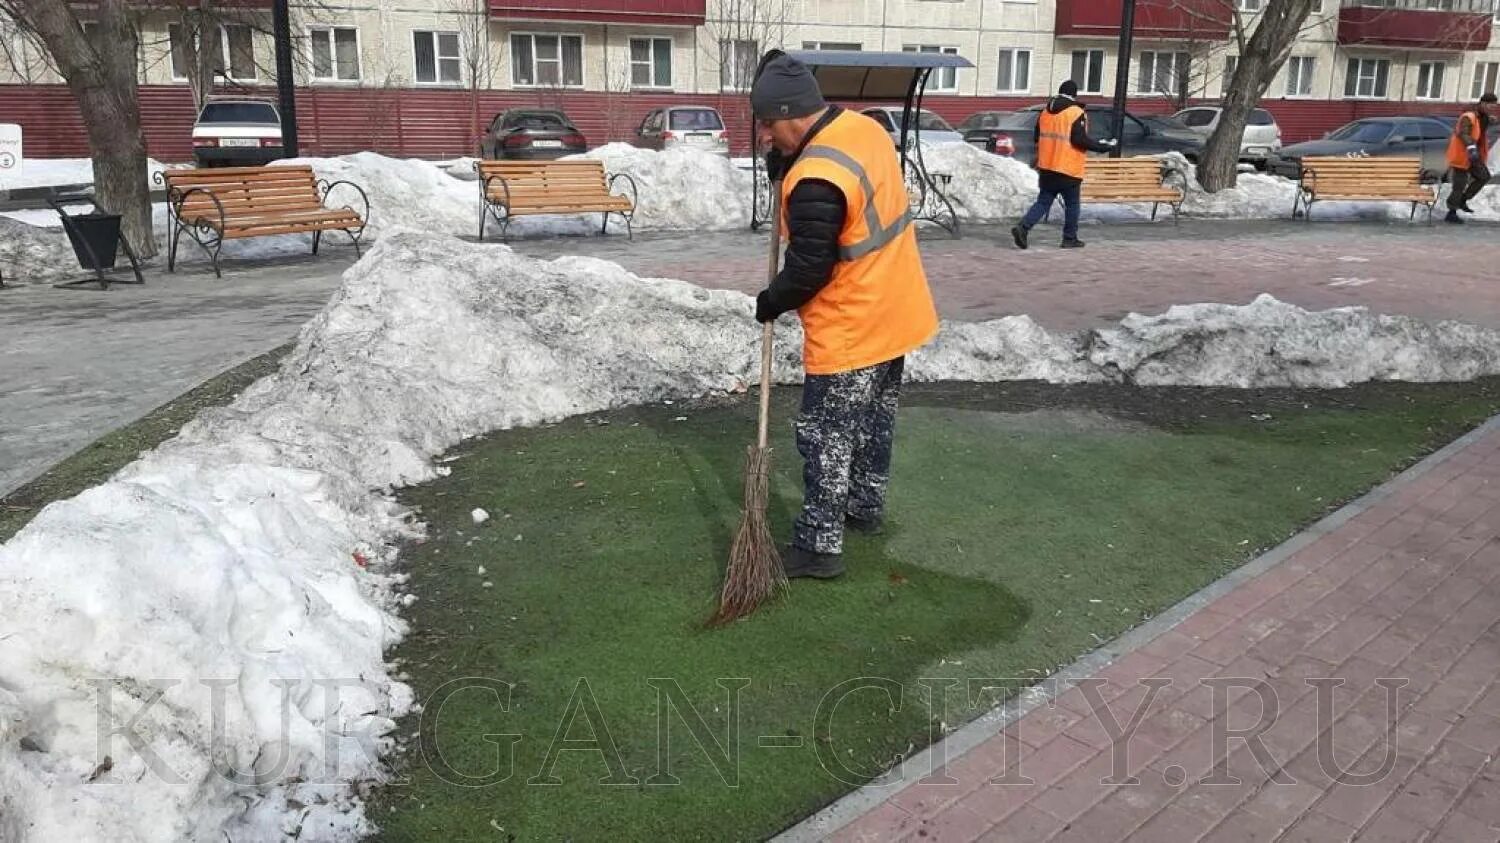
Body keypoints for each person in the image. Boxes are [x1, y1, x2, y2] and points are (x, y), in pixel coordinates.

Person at [749, 52, 939, 580]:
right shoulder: (862, 130)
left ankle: (818, 544)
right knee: (874, 423)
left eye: (768, 124)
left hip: (852, 323)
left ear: (792, 113)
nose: (765, 135)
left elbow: (809, 268)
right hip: (896, 309)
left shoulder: (816, 178)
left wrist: (771, 300)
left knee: (825, 434)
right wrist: (783, 163)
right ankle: (864, 507)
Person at [1010, 80, 1117, 249]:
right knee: (1072, 205)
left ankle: (1023, 227)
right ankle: (1069, 238)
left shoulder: (1045, 112)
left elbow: (1037, 137)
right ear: (1074, 94)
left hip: (1047, 167)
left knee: (1043, 202)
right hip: (1068, 168)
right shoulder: (1075, 112)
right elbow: (1079, 139)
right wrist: (1102, 147)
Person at [1445, 91, 1496, 224]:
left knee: (1484, 176)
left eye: (1493, 106)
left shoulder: (1483, 117)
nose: (1491, 109)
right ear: (1482, 103)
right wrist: (1471, 147)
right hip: (1462, 155)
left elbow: (1480, 129)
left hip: (1475, 156)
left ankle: (1462, 200)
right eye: (1490, 106)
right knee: (1459, 185)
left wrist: (1490, 120)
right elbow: (1464, 133)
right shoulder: (1468, 116)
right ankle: (1451, 212)